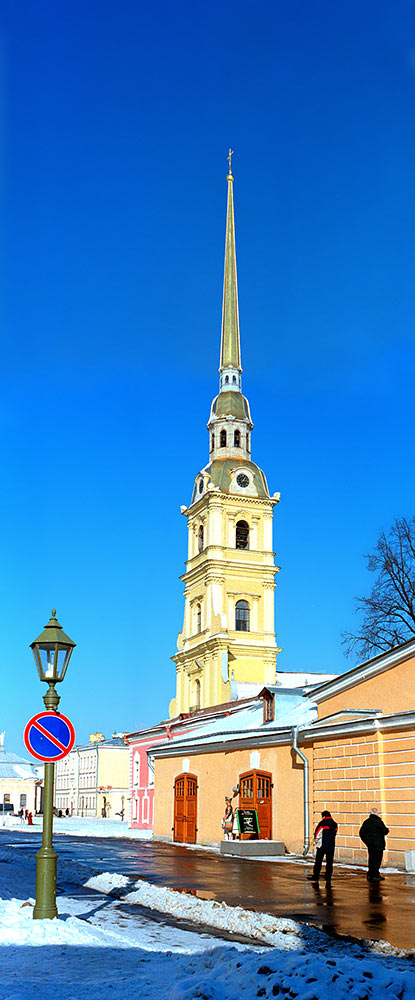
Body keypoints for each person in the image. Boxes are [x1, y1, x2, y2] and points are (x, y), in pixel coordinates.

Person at [308, 810, 338, 885]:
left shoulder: (323, 823)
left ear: (323, 816)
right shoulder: (334, 824)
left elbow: (317, 834)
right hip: (331, 845)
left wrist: (316, 841)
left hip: (322, 845)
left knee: (318, 861)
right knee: (329, 862)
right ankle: (328, 876)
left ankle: (316, 876)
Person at [359, 807, 389, 882]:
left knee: (371, 859)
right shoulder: (379, 821)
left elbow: (361, 833)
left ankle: (370, 874)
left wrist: (367, 841)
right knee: (377, 860)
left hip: (370, 844)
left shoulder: (367, 822)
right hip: (378, 844)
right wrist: (387, 830)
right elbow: (385, 831)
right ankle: (375, 875)